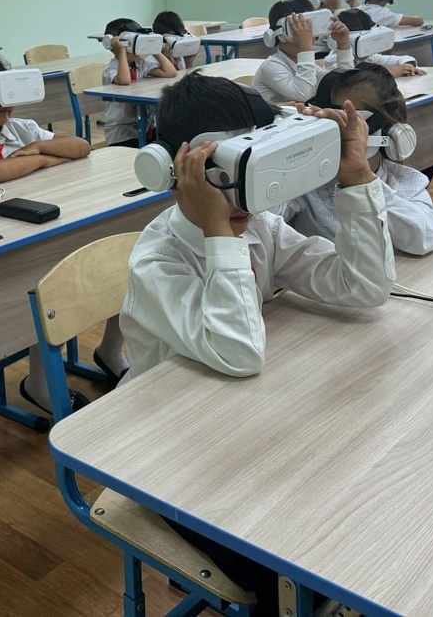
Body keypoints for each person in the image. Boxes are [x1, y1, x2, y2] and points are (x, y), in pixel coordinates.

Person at [118, 72, 394, 614]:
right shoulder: (158, 262)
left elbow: (364, 287)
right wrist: (219, 233)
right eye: (222, 175)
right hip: (170, 451)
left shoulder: (260, 226)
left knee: (349, 521)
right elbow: (239, 354)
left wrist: (356, 177)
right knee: (293, 577)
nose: (242, 197)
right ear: (176, 169)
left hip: (248, 424)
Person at [0, 55, 126, 412]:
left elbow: (81, 147)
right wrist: (45, 158)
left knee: (118, 260)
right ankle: (40, 382)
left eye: (5, 93)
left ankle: (111, 351)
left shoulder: (22, 129)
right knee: (48, 287)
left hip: (44, 227)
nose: (2, 104)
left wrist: (35, 148)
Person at [280, 65, 433, 255]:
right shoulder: (309, 184)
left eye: (347, 123)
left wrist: (363, 181)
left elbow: (428, 237)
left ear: (387, 131)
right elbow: (264, 220)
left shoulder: (402, 181)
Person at [252, 0, 352, 106]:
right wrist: (305, 49)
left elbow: (341, 86)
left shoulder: (303, 64)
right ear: (280, 35)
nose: (308, 35)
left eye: (309, 28)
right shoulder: (271, 66)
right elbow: (305, 96)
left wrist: (343, 45)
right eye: (298, 30)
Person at [101, 18, 177, 146]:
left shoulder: (140, 64)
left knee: (170, 140)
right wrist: (121, 50)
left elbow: (170, 72)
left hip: (144, 129)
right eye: (131, 44)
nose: (137, 49)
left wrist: (153, 49)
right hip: (121, 134)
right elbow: (125, 80)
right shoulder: (110, 69)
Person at [328, 9, 424, 77]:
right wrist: (388, 73)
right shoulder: (333, 61)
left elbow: (405, 58)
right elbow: (350, 82)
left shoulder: (368, 58)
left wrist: (407, 66)